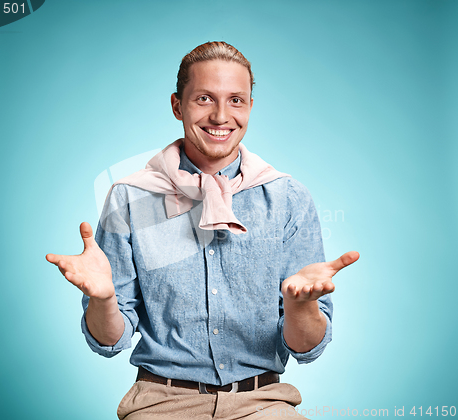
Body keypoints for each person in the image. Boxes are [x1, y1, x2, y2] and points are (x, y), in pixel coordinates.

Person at [46, 41, 359, 419]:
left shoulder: (289, 198)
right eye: (205, 99)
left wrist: (299, 307)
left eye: (236, 100)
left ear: (250, 107)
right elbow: (110, 341)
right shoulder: (130, 198)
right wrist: (104, 299)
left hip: (263, 403)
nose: (221, 116)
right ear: (178, 105)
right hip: (161, 403)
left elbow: (308, 347)